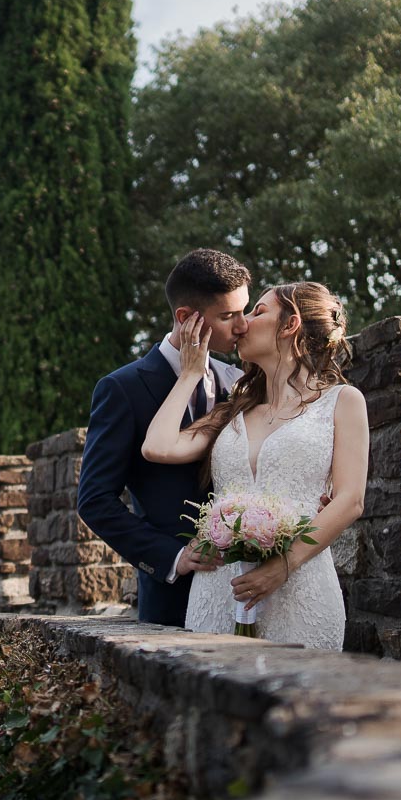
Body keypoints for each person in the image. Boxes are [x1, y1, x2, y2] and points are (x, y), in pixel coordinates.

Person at [140, 282, 367, 650]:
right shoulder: (235, 406)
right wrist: (190, 374)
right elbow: (158, 446)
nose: (242, 323)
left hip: (299, 585)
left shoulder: (343, 402)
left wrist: (281, 568)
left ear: (290, 324)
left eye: (257, 312)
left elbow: (350, 500)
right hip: (219, 587)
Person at [77, 249, 251, 627]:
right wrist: (171, 556)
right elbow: (94, 500)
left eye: (245, 311)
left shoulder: (238, 382)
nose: (243, 326)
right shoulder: (121, 388)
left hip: (244, 584)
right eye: (228, 316)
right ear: (187, 318)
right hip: (172, 596)